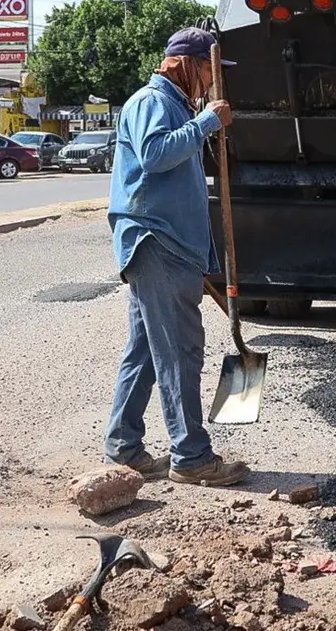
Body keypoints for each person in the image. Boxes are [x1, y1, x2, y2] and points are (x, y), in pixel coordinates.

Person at [103, 26, 251, 487]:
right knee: (180, 352)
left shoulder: (176, 107)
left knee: (147, 353)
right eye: (208, 70)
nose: (210, 81)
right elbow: (153, 155)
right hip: (156, 241)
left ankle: (124, 448)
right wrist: (206, 122)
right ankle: (191, 457)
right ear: (186, 63)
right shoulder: (152, 102)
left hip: (167, 245)